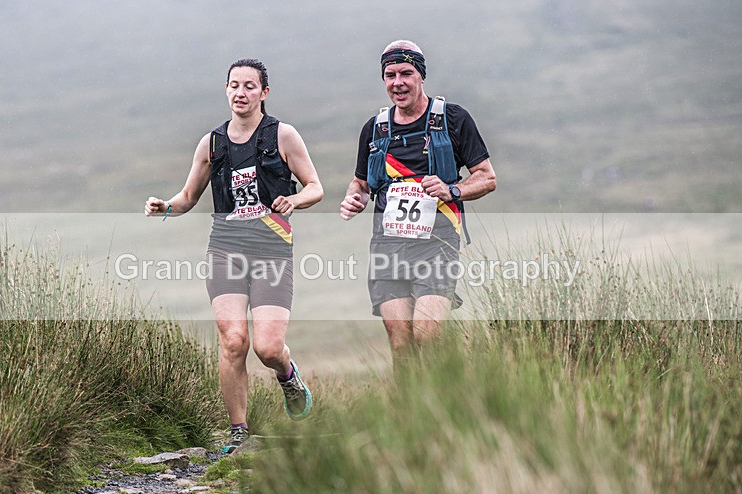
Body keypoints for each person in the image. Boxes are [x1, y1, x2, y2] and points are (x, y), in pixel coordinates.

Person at [145, 58, 323, 453]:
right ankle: (238, 432)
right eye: (234, 85)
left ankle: (288, 377)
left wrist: (294, 199)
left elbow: (315, 187)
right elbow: (189, 196)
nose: (240, 93)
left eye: (249, 86)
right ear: (226, 90)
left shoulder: (283, 135)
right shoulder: (212, 144)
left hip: (272, 251)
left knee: (268, 347)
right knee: (233, 341)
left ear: (264, 92)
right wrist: (166, 207)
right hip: (225, 248)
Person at [340, 40, 496, 371]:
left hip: (437, 243)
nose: (398, 83)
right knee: (400, 340)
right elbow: (361, 183)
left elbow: (486, 177)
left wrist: (452, 189)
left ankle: (449, 399)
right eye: (390, 75)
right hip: (388, 244)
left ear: (421, 75)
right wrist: (355, 197)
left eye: (406, 73)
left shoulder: (452, 119)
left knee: (428, 332)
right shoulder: (376, 128)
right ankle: (411, 417)